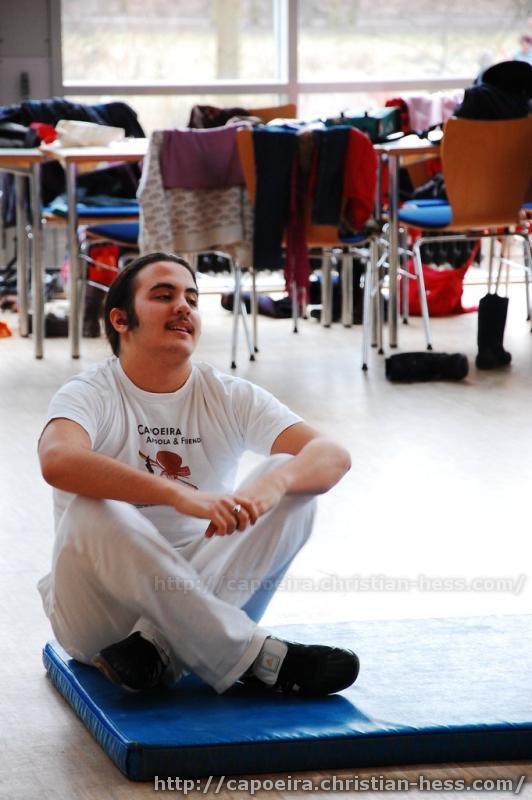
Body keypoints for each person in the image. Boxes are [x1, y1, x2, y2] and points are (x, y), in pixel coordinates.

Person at [37, 252, 359, 697]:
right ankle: (260, 658)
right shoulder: (89, 392)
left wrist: (273, 486)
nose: (183, 307)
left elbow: (333, 454)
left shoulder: (227, 394)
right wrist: (176, 494)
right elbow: (57, 460)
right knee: (91, 508)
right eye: (163, 296)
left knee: (292, 474)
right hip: (99, 620)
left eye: (191, 298)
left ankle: (156, 647)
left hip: (209, 591)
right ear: (120, 319)